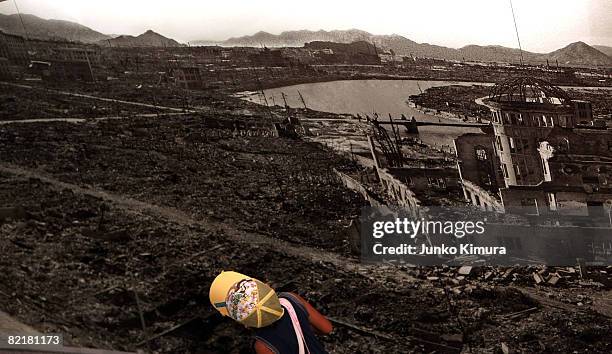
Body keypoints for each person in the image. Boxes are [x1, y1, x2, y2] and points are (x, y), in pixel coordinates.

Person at [210, 271, 333, 354]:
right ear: (268, 289)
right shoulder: (291, 299)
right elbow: (327, 328)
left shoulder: (262, 345)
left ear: (246, 324)